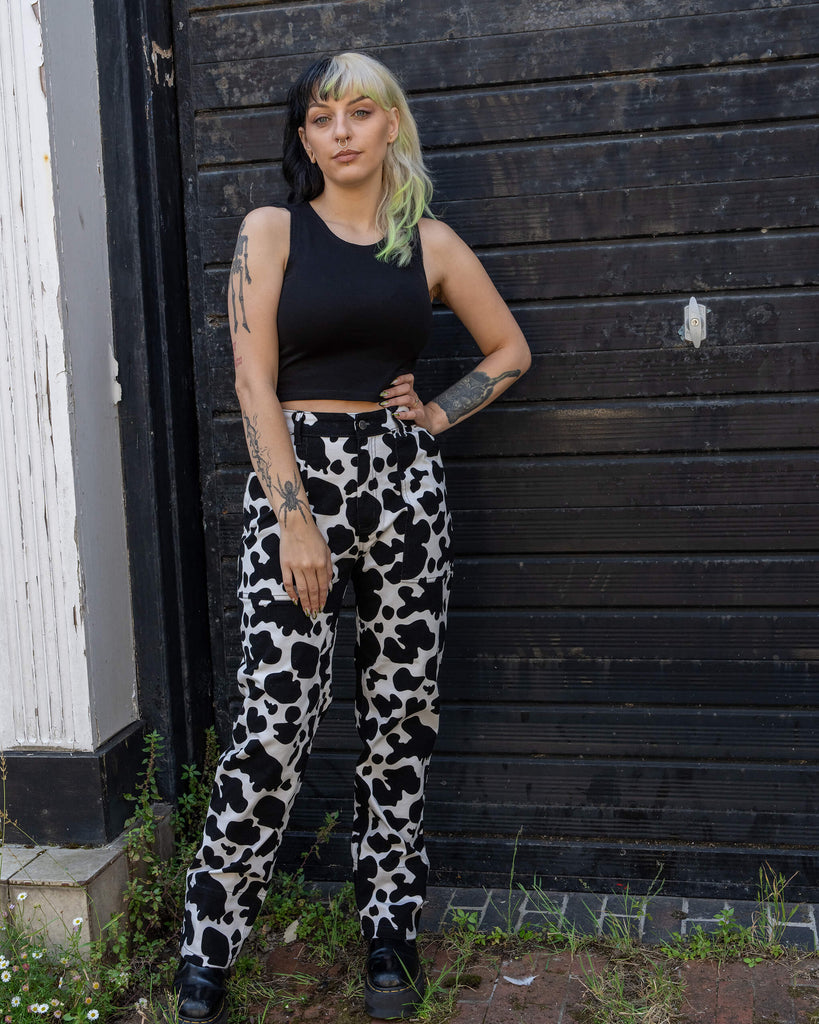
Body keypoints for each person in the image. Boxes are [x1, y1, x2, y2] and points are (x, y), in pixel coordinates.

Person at [173, 51, 530, 1022]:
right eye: (322, 117)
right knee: (275, 720)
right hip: (299, 484)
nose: (340, 131)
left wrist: (441, 411)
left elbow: (509, 349)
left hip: (405, 487)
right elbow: (253, 380)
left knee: (400, 719)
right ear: (305, 138)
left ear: (390, 127)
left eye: (359, 113)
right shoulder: (272, 230)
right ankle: (211, 940)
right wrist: (294, 516)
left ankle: (388, 929)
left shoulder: (433, 244)